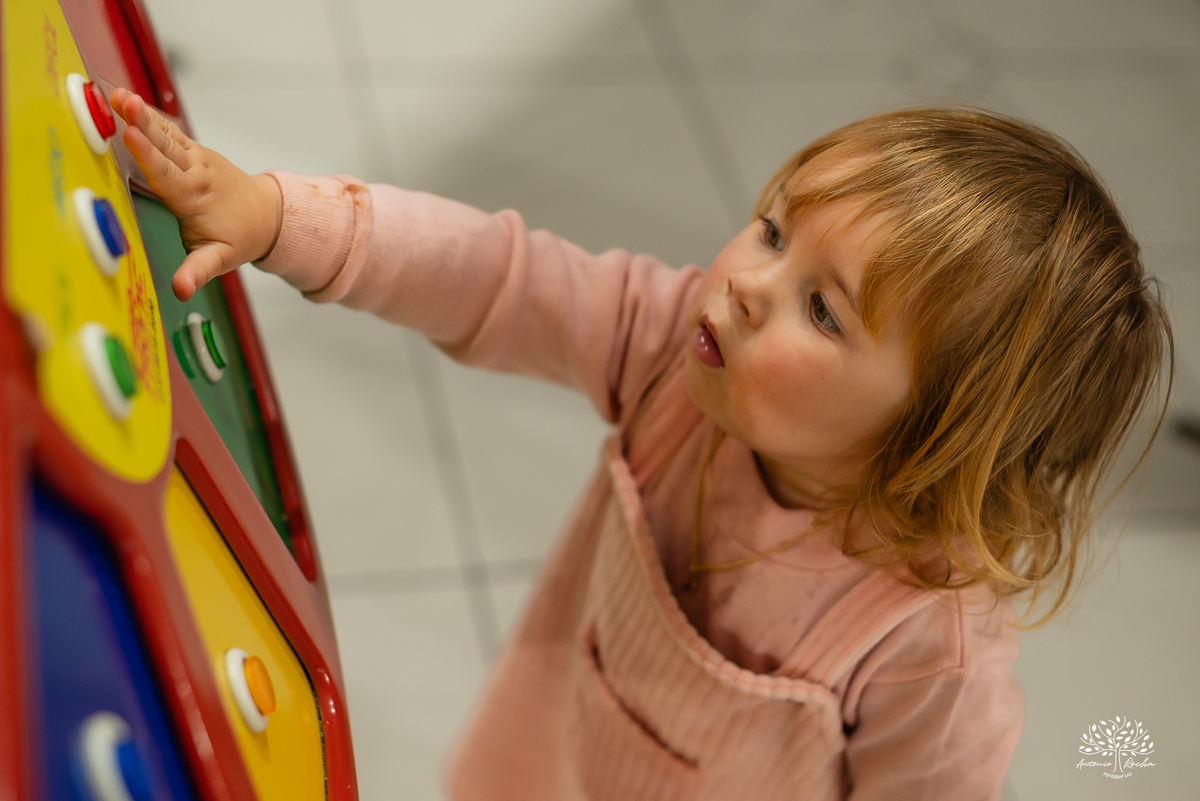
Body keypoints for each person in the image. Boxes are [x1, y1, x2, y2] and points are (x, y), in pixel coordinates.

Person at [108, 87, 1172, 800]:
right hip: (544, 752)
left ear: (937, 436)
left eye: (825, 311)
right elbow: (495, 276)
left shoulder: (925, 641)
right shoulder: (675, 348)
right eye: (770, 228)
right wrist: (278, 216)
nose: (748, 288)